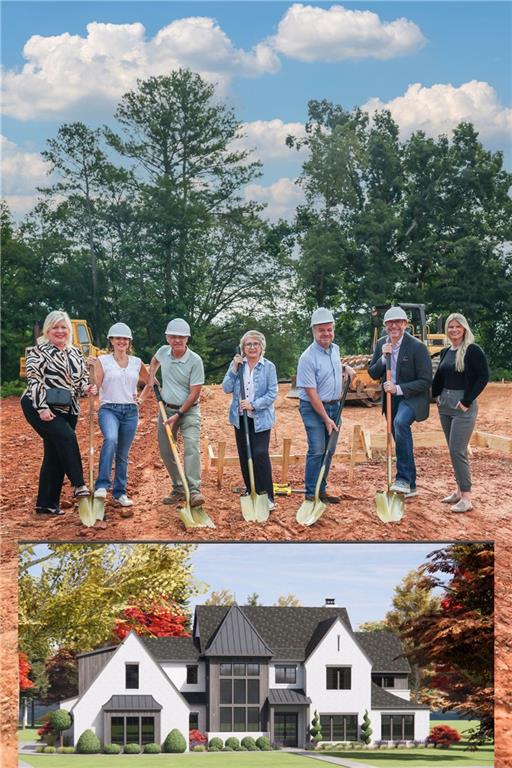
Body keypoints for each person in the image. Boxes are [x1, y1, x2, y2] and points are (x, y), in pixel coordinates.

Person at [20, 310, 95, 515]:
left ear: (69, 330)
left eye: (63, 327)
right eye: (55, 327)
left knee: (55, 452)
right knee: (66, 438)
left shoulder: (75, 353)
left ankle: (46, 504)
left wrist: (87, 388)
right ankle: (79, 484)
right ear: (48, 330)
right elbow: (34, 381)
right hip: (39, 405)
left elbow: (79, 383)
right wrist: (42, 408)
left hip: (68, 408)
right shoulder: (38, 351)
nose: (60, 331)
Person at [368, 306, 432, 498]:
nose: (393, 325)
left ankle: (402, 478)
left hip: (412, 397)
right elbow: (373, 372)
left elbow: (425, 380)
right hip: (391, 399)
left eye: (398, 322)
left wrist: (398, 389)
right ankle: (410, 485)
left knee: (400, 423)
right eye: (390, 322)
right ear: (385, 325)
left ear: (405, 324)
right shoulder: (381, 344)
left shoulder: (417, 347)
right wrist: (382, 359)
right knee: (400, 436)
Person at [296, 308, 355, 503]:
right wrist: (326, 419)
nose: (326, 334)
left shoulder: (335, 349)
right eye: (322, 330)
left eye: (329, 329)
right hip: (313, 408)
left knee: (329, 449)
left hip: (334, 406)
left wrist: (344, 367)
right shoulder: (307, 358)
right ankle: (311, 494)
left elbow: (329, 367)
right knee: (318, 449)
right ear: (314, 331)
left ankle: (321, 490)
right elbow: (312, 394)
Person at [432, 313, 489, 512]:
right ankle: (458, 491)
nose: (454, 330)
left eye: (458, 326)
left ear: (464, 328)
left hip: (462, 407)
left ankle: (466, 498)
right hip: (445, 406)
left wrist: (466, 401)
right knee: (452, 450)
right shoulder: (446, 351)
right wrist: (436, 395)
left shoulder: (472, 350)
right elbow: (440, 376)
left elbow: (483, 377)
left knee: (458, 450)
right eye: (450, 327)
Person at [88, 323, 149, 508]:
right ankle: (102, 485)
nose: (121, 341)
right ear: (112, 341)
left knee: (123, 454)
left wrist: (141, 399)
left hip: (131, 411)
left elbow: (150, 382)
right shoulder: (102, 360)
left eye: (125, 339)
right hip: (109, 409)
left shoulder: (137, 362)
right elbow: (96, 384)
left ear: (129, 342)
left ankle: (120, 492)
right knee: (111, 439)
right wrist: (91, 381)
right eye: (118, 338)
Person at [148, 319, 205, 507]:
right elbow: (154, 361)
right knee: (166, 451)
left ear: (187, 338)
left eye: (181, 337)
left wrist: (179, 414)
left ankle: (194, 489)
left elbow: (195, 392)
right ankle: (179, 487)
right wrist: (152, 377)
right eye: (173, 336)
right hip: (166, 409)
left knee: (190, 447)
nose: (177, 340)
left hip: (188, 411)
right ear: (167, 338)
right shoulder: (163, 352)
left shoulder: (195, 360)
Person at [223, 330, 278, 510]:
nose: (252, 347)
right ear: (243, 348)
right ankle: (250, 489)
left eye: (256, 344)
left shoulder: (269, 367)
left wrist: (253, 404)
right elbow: (226, 387)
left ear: (262, 347)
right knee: (245, 455)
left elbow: (272, 393)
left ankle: (267, 495)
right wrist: (233, 368)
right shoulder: (238, 366)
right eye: (248, 344)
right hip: (241, 418)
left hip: (260, 418)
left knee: (260, 454)